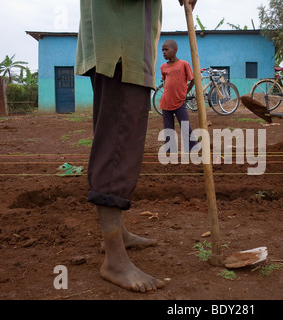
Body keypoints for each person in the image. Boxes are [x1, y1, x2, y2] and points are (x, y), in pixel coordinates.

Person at [74, 0, 197, 293]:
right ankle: (114, 260)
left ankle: (116, 234)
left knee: (114, 136)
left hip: (120, 43)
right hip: (121, 46)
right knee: (119, 143)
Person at [159, 39, 199, 153]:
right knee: (168, 128)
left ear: (175, 50)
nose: (164, 52)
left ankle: (192, 148)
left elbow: (193, 80)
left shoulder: (184, 64)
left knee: (185, 126)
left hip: (179, 102)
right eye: (162, 50)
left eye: (166, 50)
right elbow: (165, 81)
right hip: (166, 102)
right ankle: (170, 150)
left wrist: (184, 93)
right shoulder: (163, 67)